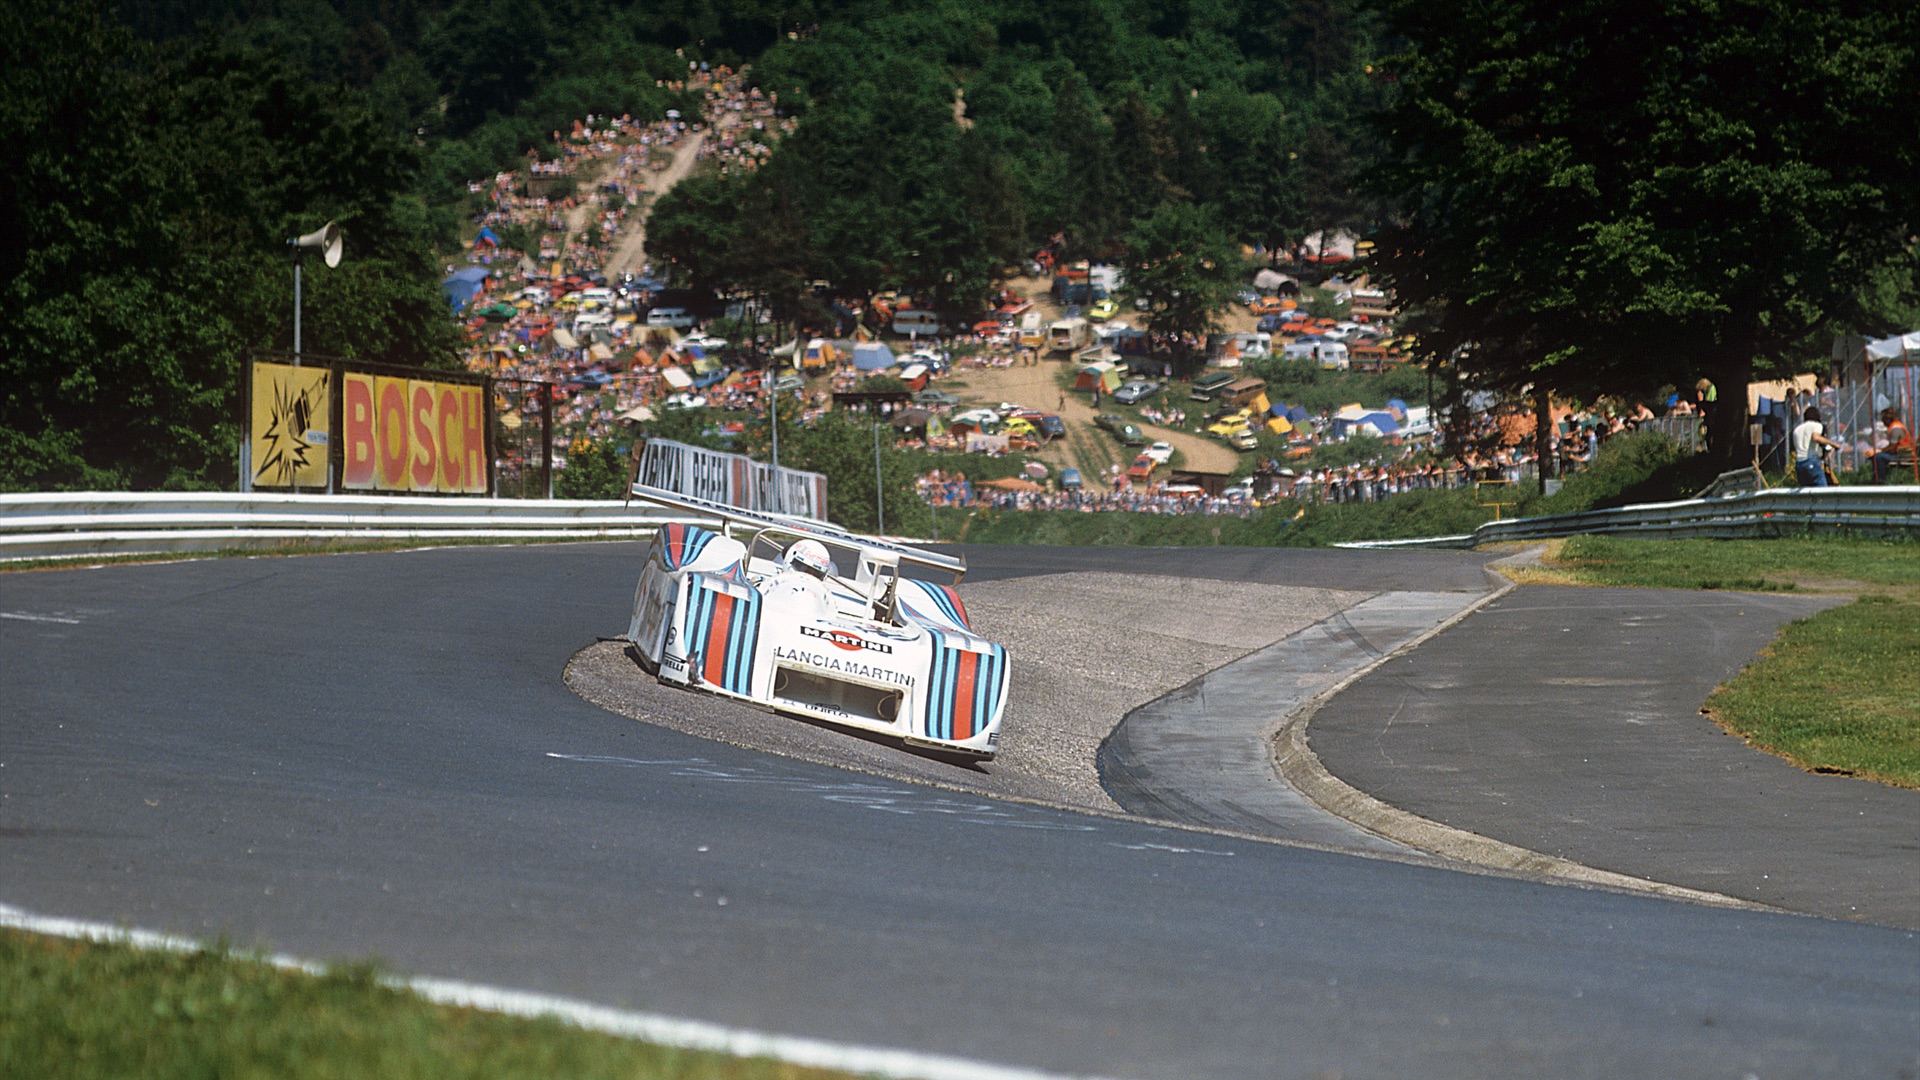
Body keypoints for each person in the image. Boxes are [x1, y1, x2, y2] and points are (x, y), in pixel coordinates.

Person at [1791, 406, 1841, 487]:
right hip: (1810, 461)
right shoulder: (1816, 425)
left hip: (1799, 463)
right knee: (1822, 491)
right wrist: (1833, 444)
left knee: (1806, 492)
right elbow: (1816, 437)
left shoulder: (1797, 429)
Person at [1871, 407, 1913, 483]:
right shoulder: (1895, 426)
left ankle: (1880, 479)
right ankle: (1876, 478)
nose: (1883, 422)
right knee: (1878, 455)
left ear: (1888, 419)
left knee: (1878, 457)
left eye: (1883, 419)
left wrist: (1880, 451)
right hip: (1900, 453)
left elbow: (1892, 448)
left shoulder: (1895, 428)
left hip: (1902, 455)